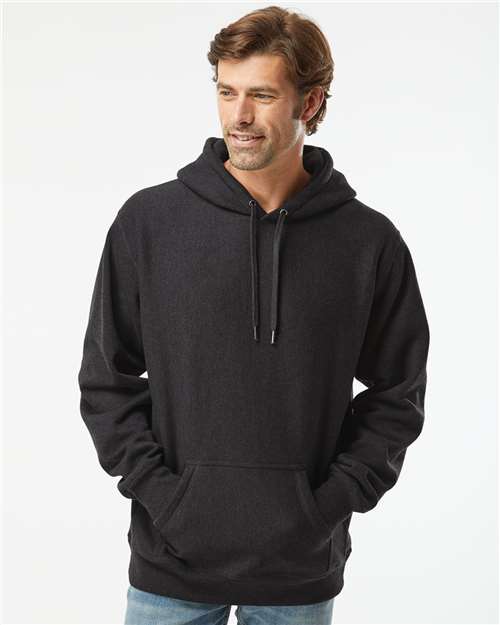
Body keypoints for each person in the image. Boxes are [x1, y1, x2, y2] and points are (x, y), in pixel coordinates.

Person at [77, 5, 430, 625]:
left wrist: (327, 505)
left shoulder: (368, 241)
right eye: (226, 92)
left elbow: (398, 393)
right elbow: (106, 379)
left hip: (300, 569)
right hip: (170, 563)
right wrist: (165, 498)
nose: (239, 116)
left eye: (262, 95)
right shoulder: (149, 223)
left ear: (310, 102)